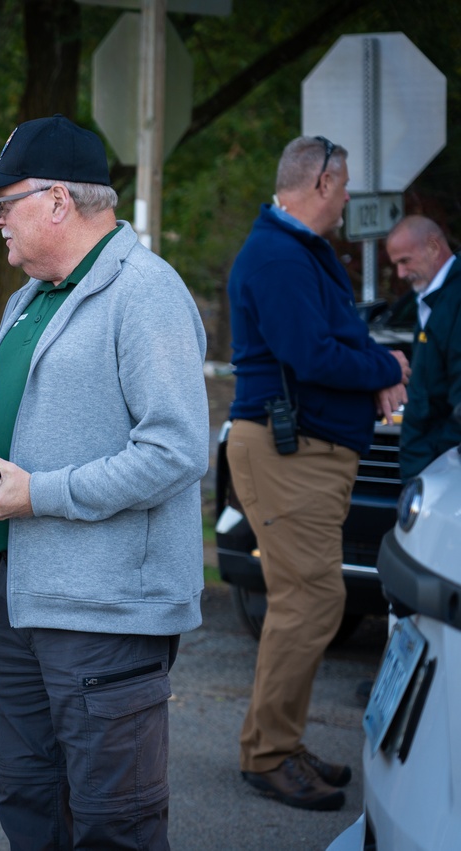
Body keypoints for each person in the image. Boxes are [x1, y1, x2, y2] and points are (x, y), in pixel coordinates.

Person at [0, 114, 210, 849]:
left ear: (56, 202)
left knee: (115, 823)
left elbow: (176, 449)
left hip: (104, 613)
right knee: (32, 805)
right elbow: (37, 438)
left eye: (4, 202)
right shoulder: (25, 301)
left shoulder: (146, 293)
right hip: (23, 599)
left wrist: (35, 494)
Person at [226, 135, 410, 812]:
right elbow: (312, 354)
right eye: (347, 185)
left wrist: (376, 370)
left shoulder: (296, 251)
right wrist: (386, 371)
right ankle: (268, 754)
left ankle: (277, 741)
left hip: (303, 446)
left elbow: (339, 339)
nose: (351, 197)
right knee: (309, 602)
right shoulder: (277, 254)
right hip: (287, 447)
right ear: (324, 183)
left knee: (311, 601)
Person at [384, 215, 461, 479]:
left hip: (442, 469)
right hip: (426, 465)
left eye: (405, 261)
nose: (401, 274)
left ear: (433, 247)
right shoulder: (430, 298)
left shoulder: (454, 299)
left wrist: (441, 460)